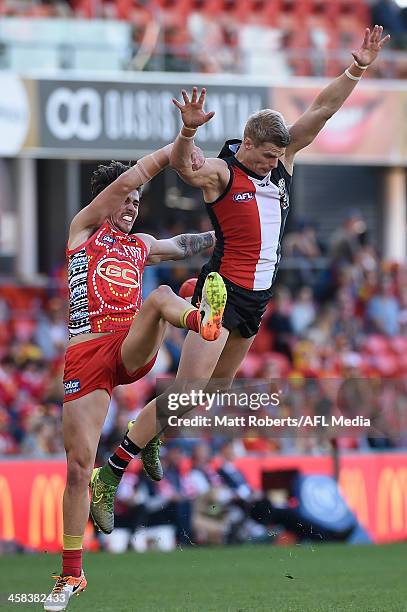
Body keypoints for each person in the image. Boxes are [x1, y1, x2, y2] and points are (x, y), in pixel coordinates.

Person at [92, 25, 390, 529]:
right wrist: (187, 131)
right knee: (186, 391)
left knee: (206, 396)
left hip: (256, 300)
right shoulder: (225, 174)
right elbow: (186, 168)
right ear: (248, 143)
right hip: (220, 292)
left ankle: (156, 434)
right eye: (269, 155)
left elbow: (321, 112)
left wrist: (357, 67)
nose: (277, 163)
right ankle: (111, 474)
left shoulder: (280, 162)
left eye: (280, 156)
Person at [44, 147, 227, 611]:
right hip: (86, 352)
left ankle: (201, 321)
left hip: (131, 346)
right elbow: (125, 184)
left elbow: (187, 244)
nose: (131, 206)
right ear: (107, 200)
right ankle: (71, 576)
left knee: (163, 294)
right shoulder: (82, 229)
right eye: (125, 200)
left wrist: (227, 232)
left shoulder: (140, 245)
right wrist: (178, 142)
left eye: (137, 201)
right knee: (79, 466)